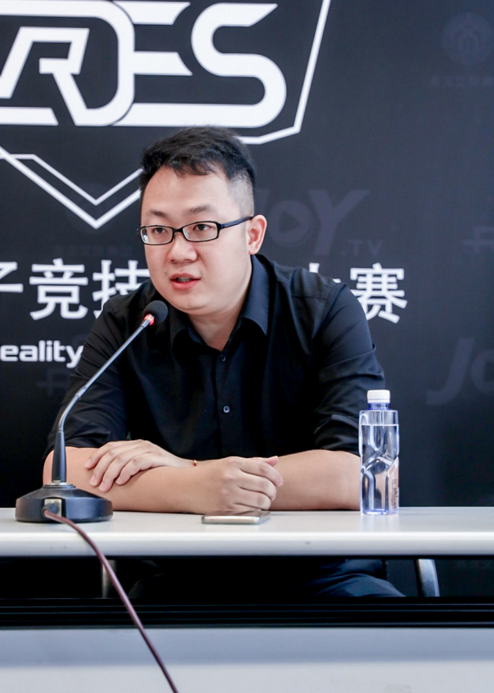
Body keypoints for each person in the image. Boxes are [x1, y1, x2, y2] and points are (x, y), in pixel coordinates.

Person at [44, 126, 402, 597]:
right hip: (176, 582)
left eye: (202, 228)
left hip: (322, 579)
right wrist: (199, 486)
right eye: (159, 230)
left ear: (252, 234)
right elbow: (64, 472)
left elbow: (365, 475)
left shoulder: (323, 311)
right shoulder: (127, 322)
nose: (178, 252)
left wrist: (188, 470)